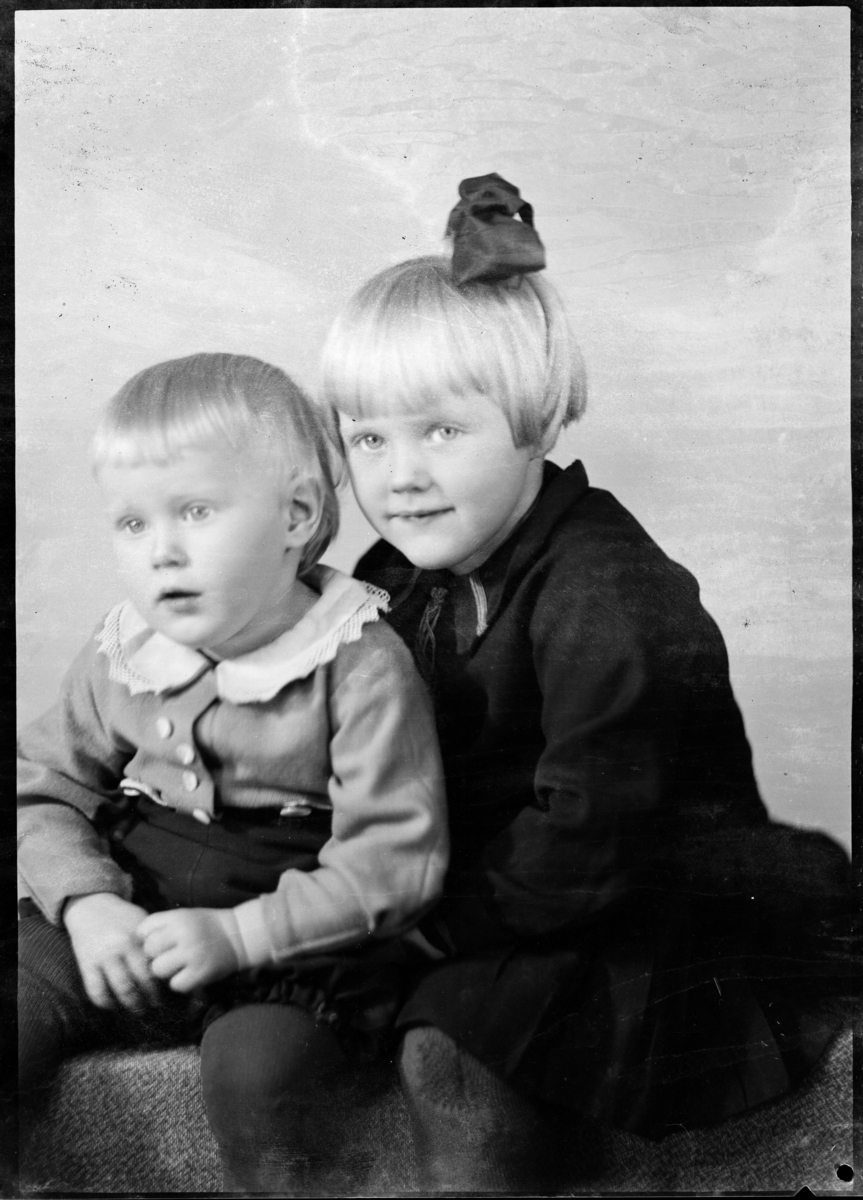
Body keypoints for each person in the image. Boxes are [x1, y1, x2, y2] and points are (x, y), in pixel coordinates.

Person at [319, 174, 854, 1190]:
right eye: (368, 438)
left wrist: (426, 928)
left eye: (440, 431)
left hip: (633, 908)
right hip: (502, 892)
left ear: (533, 423)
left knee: (449, 1049)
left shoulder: (606, 588)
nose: (399, 475)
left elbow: (594, 829)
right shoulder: (394, 579)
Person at [17, 352, 449, 1194]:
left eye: (196, 512)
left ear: (295, 515)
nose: (162, 553)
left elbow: (394, 863)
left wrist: (238, 937)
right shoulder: (125, 649)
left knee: (261, 1078)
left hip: (288, 932)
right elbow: (42, 784)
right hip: (132, 899)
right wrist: (88, 903)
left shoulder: (359, 664)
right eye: (132, 524)